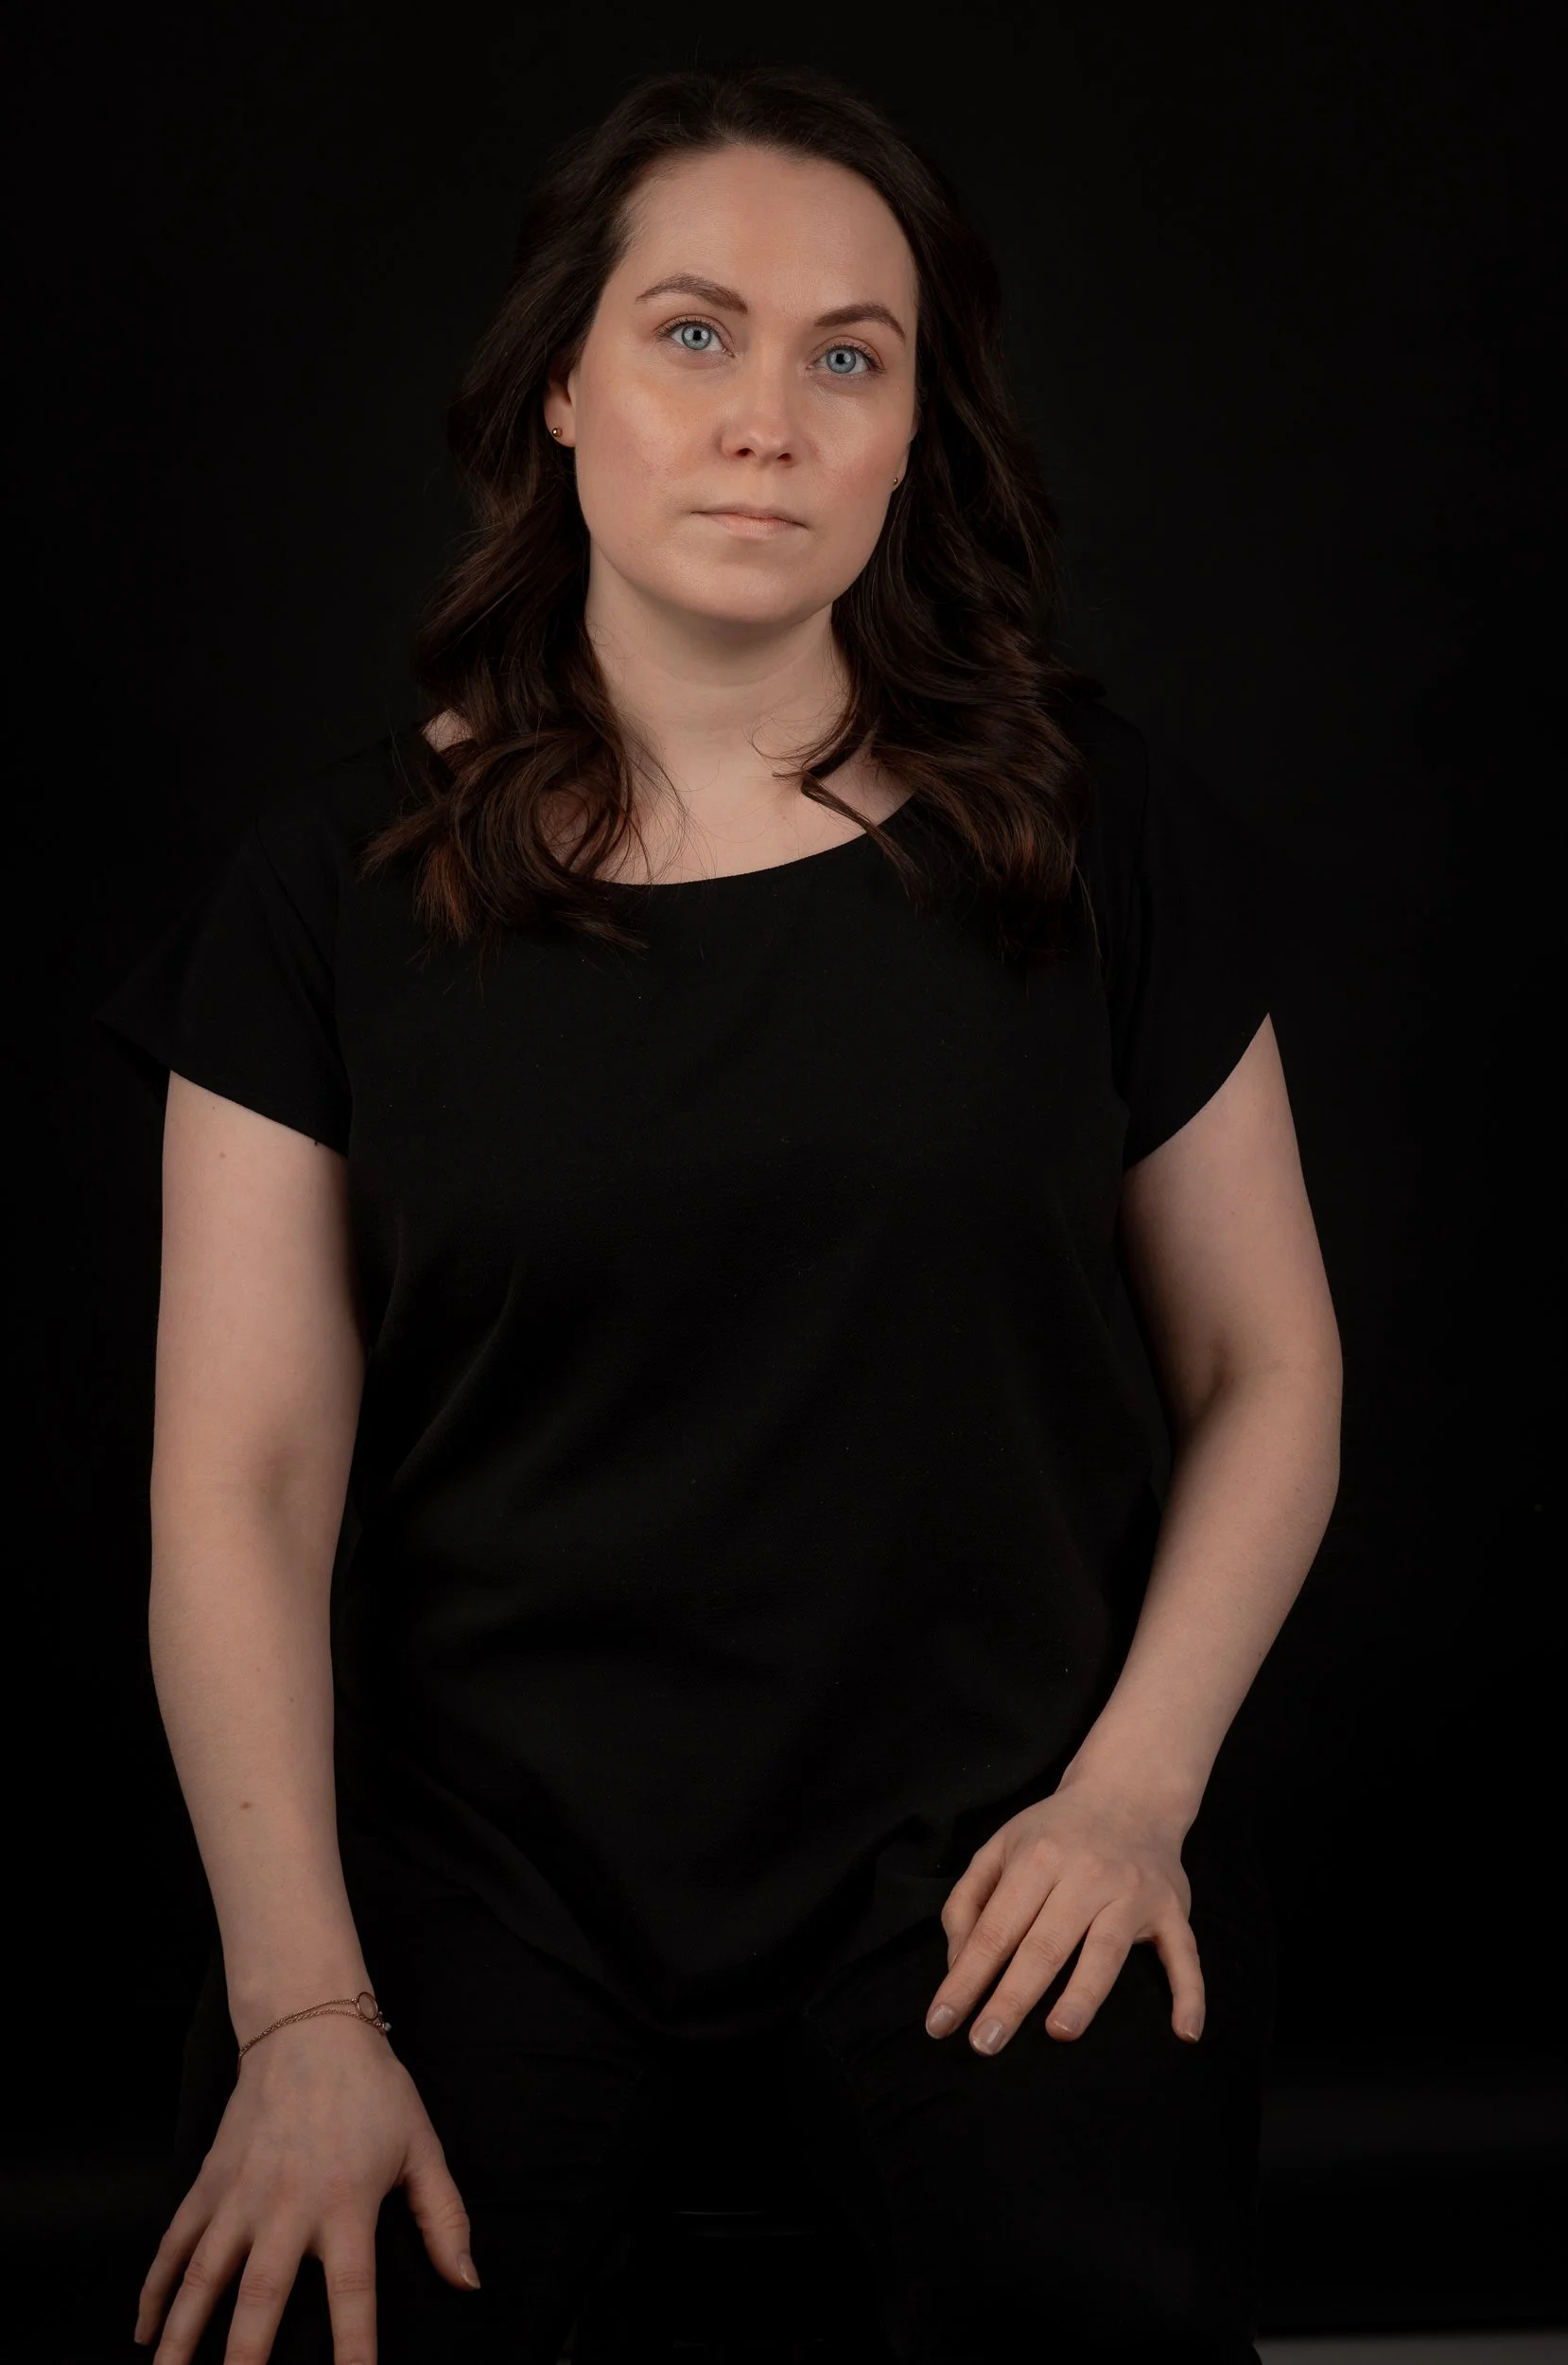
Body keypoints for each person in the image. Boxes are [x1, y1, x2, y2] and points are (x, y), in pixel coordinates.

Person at [97, 61, 1343, 2365]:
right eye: (692, 332)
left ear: (906, 432)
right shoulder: (323, 899)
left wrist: (1128, 1798)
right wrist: (300, 2012)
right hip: (482, 1877)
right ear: (559, 386)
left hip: (989, 1844)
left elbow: (1265, 1369)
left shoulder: (1098, 839)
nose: (767, 414)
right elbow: (241, 1484)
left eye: (845, 356)